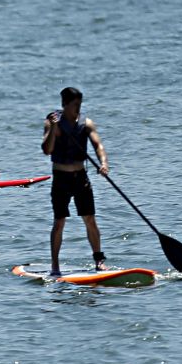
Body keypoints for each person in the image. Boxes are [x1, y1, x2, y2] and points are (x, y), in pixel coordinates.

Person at [42, 87, 108, 276]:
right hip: (61, 178)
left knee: (90, 219)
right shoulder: (52, 122)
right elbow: (47, 149)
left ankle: (99, 260)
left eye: (80, 105)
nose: (78, 109)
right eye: (74, 105)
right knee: (59, 221)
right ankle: (55, 266)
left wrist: (103, 164)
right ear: (64, 105)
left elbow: (98, 145)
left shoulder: (85, 123)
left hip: (80, 177)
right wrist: (54, 128)